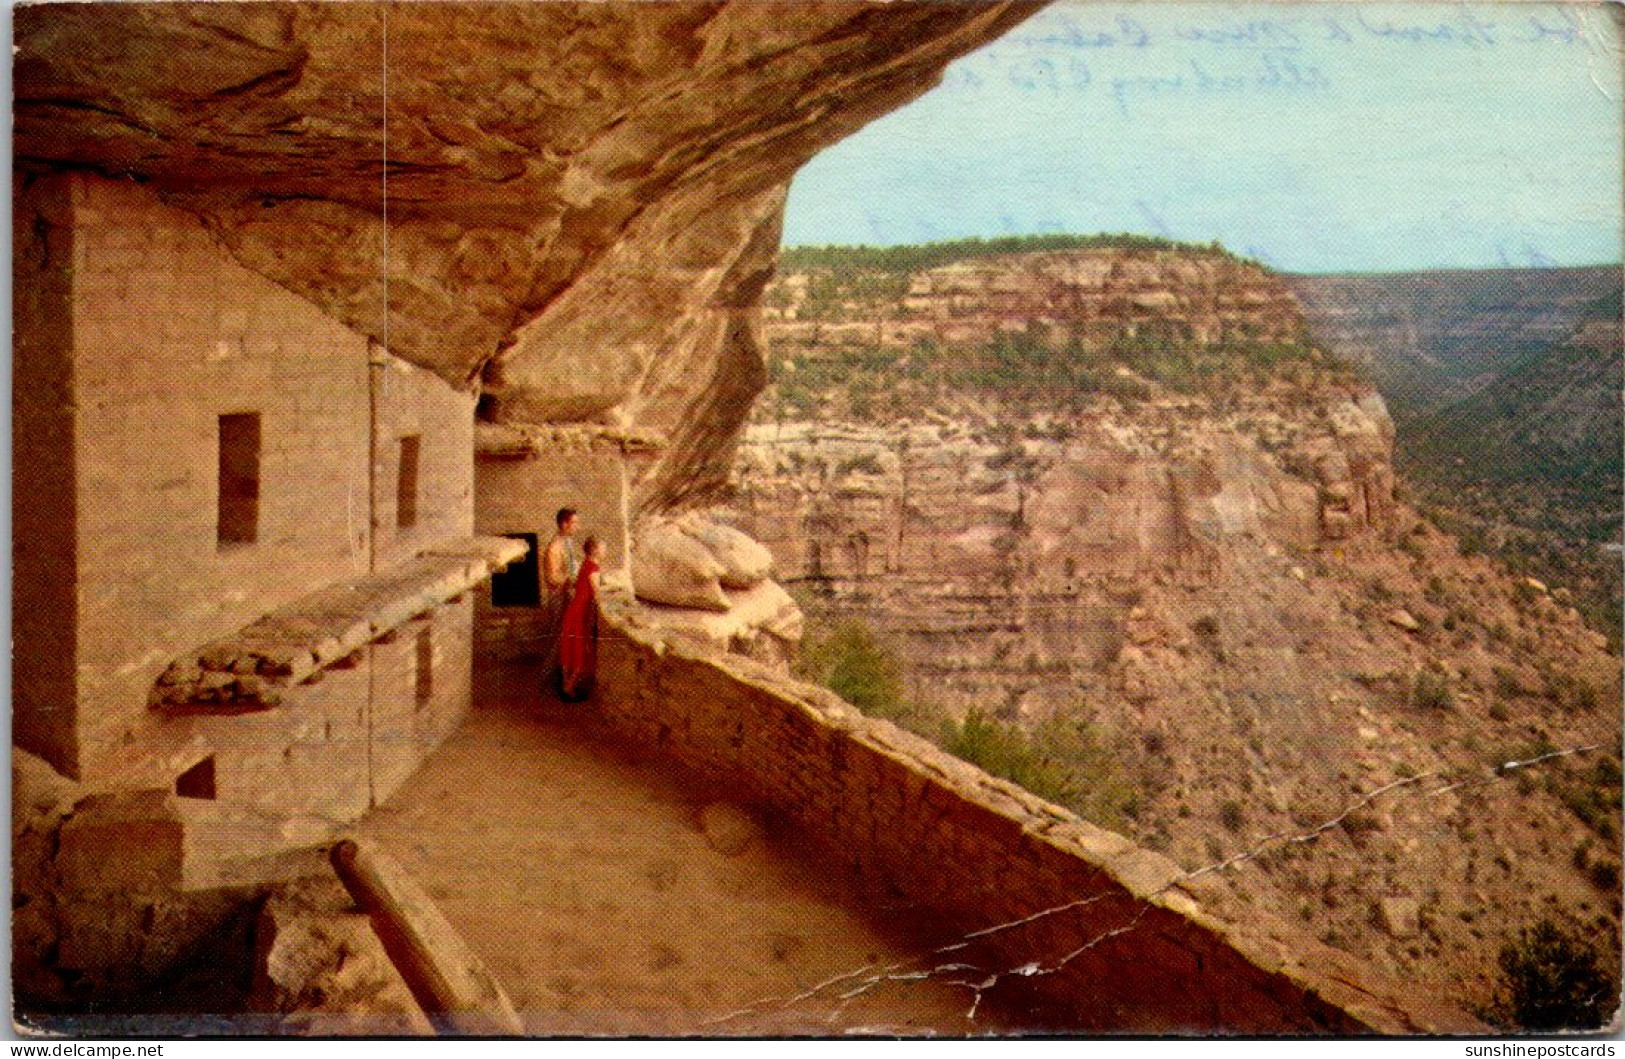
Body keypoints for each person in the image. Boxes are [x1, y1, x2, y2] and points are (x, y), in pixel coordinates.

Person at [557, 536, 604, 702]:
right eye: (602, 547)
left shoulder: (585, 563)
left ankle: (565, 683)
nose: (604, 550)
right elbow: (596, 592)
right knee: (579, 651)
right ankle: (568, 687)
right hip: (581, 611)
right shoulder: (593, 567)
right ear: (595, 550)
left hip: (574, 608)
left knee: (569, 648)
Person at [540, 508, 580, 680]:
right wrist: (571, 580)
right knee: (557, 636)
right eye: (574, 523)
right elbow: (551, 577)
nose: (577, 527)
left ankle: (559, 675)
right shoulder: (554, 547)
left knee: (565, 637)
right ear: (564, 524)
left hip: (567, 594)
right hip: (558, 596)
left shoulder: (567, 542)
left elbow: (572, 566)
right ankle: (546, 677)